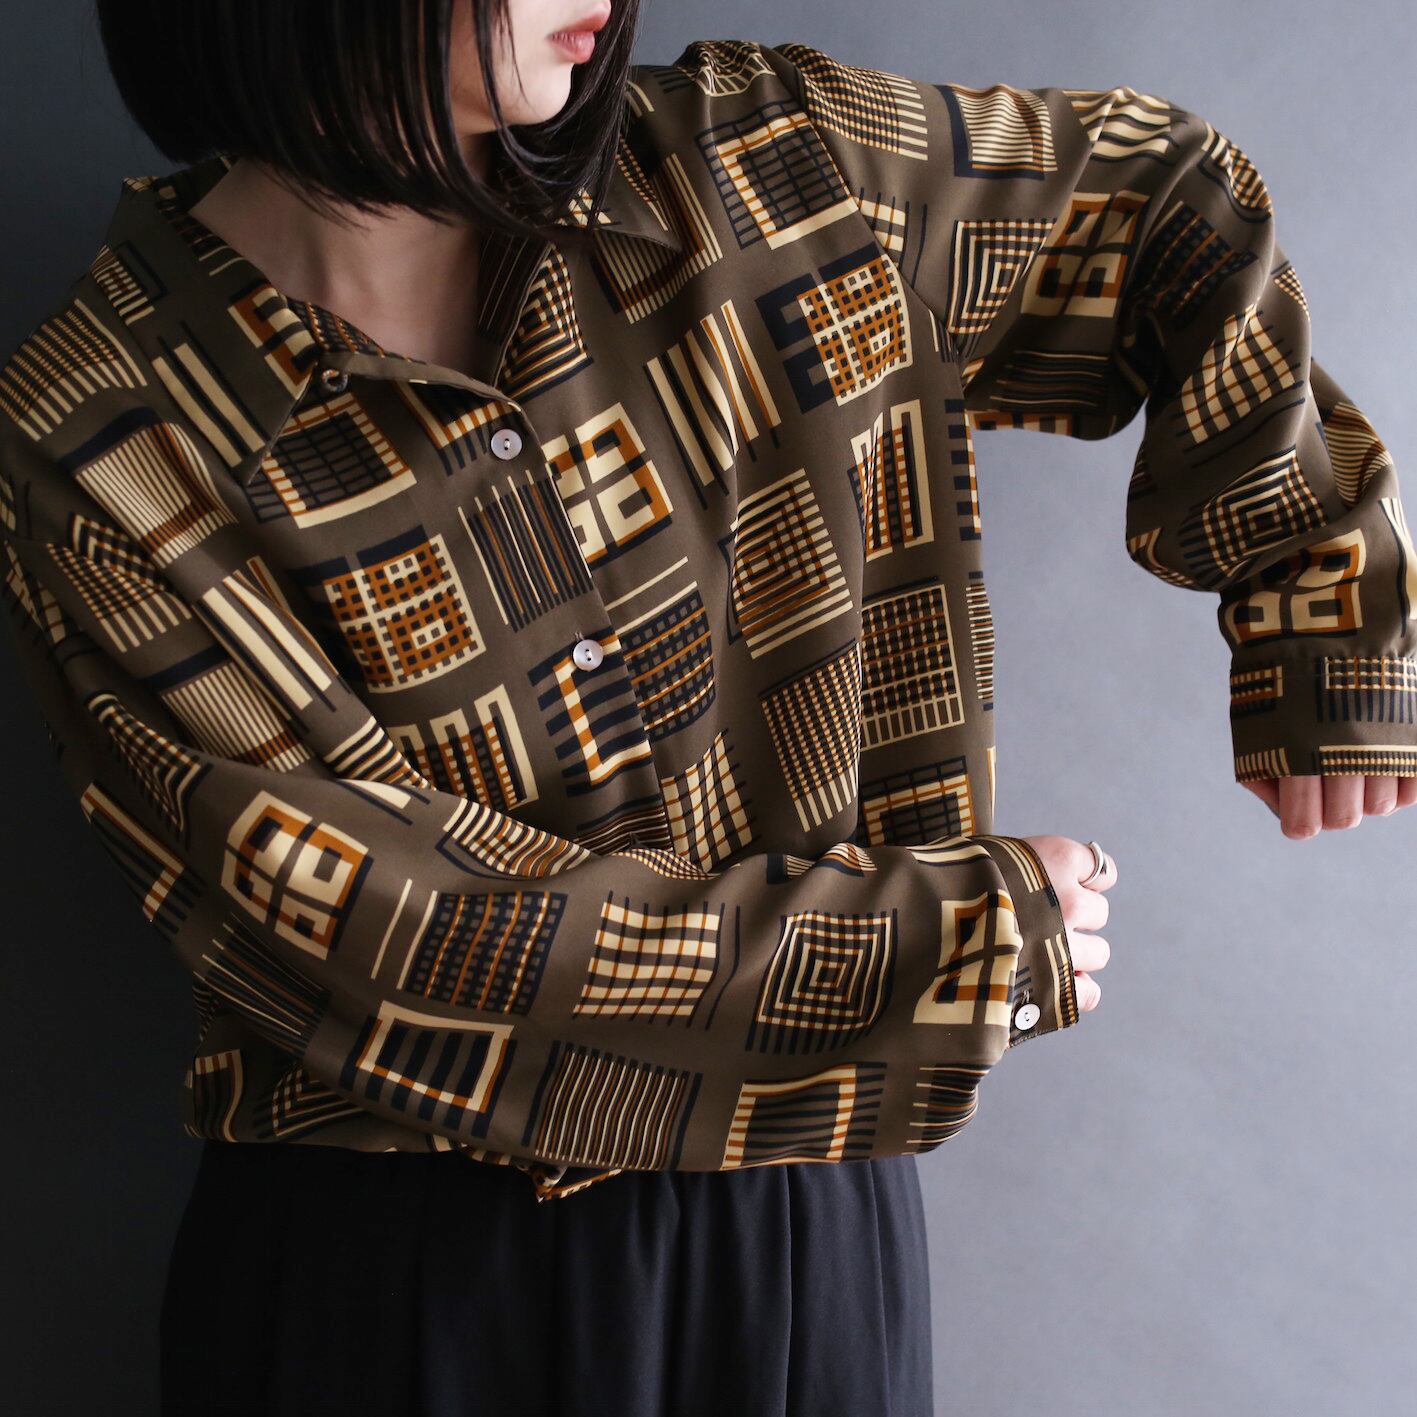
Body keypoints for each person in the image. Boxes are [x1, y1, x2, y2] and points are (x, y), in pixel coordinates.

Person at [1, 2, 1411, 1413]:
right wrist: (937, 947)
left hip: (796, 1229)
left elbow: (1160, 206)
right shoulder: (100, 432)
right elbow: (366, 920)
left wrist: (1322, 593)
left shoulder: (769, 171)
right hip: (395, 1283)